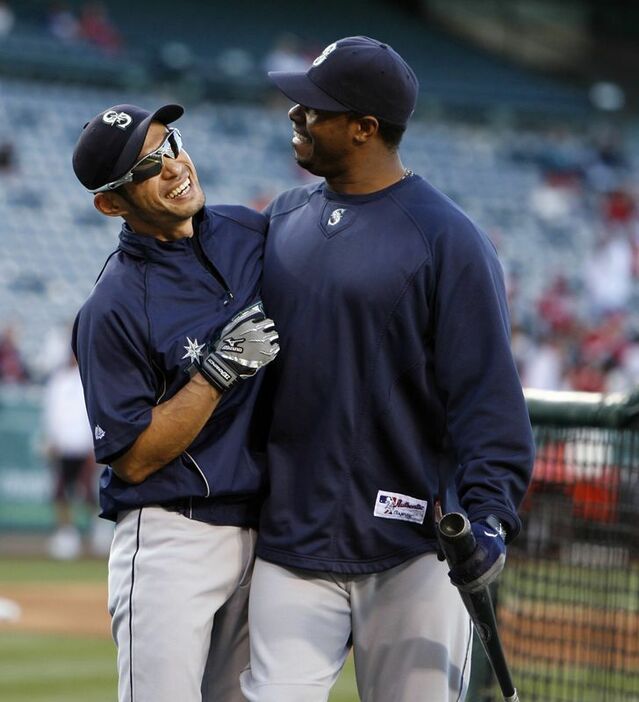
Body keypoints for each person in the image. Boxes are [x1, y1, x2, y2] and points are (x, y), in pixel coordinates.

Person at [240, 36, 535, 702]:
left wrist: (488, 518)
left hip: (415, 550)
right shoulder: (282, 219)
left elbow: (486, 398)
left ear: (364, 128)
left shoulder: (446, 238)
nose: (295, 115)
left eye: (314, 108)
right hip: (292, 542)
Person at [71, 103, 279, 702]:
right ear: (112, 203)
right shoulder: (112, 307)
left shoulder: (250, 232)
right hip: (173, 536)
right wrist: (216, 373)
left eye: (172, 143)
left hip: (267, 530)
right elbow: (132, 460)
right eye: (146, 167)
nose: (174, 166)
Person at [42, 349, 97, 560]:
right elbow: (51, 412)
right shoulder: (57, 381)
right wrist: (52, 440)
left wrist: (93, 444)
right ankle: (67, 533)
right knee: (60, 492)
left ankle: (94, 530)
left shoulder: (87, 378)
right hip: (63, 445)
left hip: (83, 446)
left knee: (87, 491)